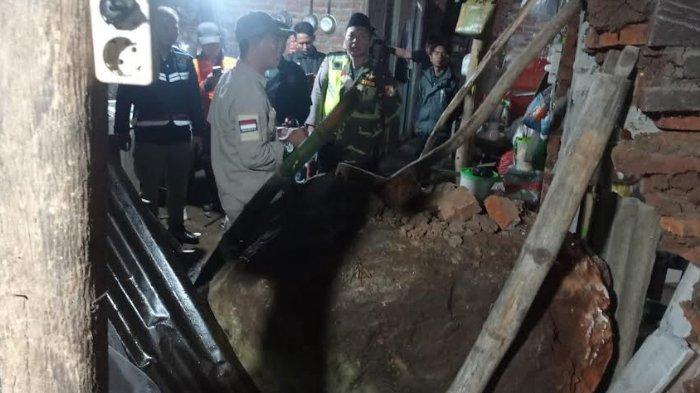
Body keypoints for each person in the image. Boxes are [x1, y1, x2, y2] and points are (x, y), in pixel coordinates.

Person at [114, 6, 204, 244]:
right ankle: (150, 235)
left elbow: (194, 100)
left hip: (179, 137)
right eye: (166, 25)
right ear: (153, 29)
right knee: (149, 190)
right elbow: (124, 97)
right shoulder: (136, 58)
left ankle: (176, 228)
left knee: (178, 187)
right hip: (149, 138)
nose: (172, 30)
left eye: (174, 26)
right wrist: (121, 130)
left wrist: (199, 133)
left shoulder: (184, 61)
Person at [208, 11, 307, 224]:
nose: (281, 46)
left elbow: (237, 134)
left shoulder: (230, 78)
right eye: (275, 39)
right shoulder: (248, 92)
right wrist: (289, 142)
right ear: (255, 42)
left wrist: (277, 133)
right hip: (253, 204)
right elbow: (253, 156)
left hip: (237, 197)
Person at [305, 13, 401, 173]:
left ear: (370, 41)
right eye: (352, 36)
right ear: (345, 39)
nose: (356, 41)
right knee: (324, 191)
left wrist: (382, 138)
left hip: (363, 150)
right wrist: (311, 131)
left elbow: (393, 107)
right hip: (329, 146)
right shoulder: (331, 62)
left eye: (362, 36)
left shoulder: (381, 73)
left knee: (356, 195)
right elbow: (317, 96)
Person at [193, 21, 237, 212]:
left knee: (230, 161)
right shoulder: (193, 64)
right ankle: (215, 198)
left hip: (229, 122)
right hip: (206, 121)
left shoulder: (232, 63)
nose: (212, 48)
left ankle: (231, 198)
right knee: (209, 162)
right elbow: (191, 95)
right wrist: (206, 85)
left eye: (215, 44)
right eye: (207, 44)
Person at [414, 40, 458, 154]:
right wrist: (417, 123)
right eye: (436, 53)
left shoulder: (451, 81)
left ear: (447, 58)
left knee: (431, 164)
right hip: (422, 128)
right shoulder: (424, 78)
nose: (439, 57)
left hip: (440, 131)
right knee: (417, 160)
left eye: (443, 54)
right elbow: (419, 100)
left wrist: (446, 124)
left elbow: (457, 108)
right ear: (431, 57)